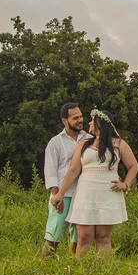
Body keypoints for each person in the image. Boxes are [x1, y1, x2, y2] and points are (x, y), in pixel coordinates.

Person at [51, 108, 138, 257]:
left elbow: (133, 166)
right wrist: (60, 193)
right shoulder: (84, 144)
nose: (89, 122)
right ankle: (81, 274)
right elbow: (73, 171)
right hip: (86, 193)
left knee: (103, 238)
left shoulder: (118, 143)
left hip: (108, 192)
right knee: (84, 238)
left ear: (101, 123)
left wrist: (126, 184)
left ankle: (103, 273)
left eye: (92, 120)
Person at [40, 102, 90, 258]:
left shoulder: (90, 139)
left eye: (81, 116)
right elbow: (50, 172)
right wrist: (57, 196)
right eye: (75, 118)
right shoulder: (55, 142)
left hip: (83, 194)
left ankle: (73, 268)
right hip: (63, 195)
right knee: (53, 235)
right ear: (64, 121)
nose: (80, 120)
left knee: (79, 237)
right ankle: (43, 269)